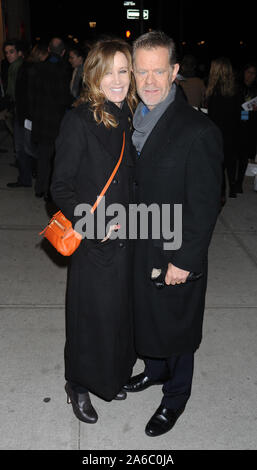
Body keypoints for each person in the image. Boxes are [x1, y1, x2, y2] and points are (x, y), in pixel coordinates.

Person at [123, 31, 223, 437]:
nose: (149, 81)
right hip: (139, 244)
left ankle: (175, 397)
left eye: (158, 71)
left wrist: (184, 260)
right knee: (148, 318)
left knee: (177, 327)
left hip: (175, 251)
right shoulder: (131, 117)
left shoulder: (197, 130)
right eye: (141, 71)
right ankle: (155, 370)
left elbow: (205, 206)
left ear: (175, 72)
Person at [50, 38, 137, 424]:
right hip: (96, 239)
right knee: (90, 316)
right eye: (109, 72)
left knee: (118, 315)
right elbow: (60, 187)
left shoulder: (129, 113)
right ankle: (79, 384)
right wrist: (94, 225)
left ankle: (110, 376)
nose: (117, 80)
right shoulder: (79, 119)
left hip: (129, 235)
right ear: (93, 75)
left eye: (124, 70)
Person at [30, 37, 72, 200]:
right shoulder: (65, 69)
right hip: (58, 120)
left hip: (41, 119)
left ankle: (40, 187)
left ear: (48, 49)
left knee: (43, 156)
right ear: (63, 52)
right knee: (57, 158)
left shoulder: (38, 68)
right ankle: (51, 191)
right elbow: (64, 97)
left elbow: (32, 95)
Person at [206, 57, 241, 201]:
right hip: (232, 131)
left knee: (219, 165)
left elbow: (213, 117)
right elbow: (240, 113)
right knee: (231, 161)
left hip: (218, 133)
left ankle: (221, 193)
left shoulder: (214, 92)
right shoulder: (236, 90)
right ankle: (233, 188)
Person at [235, 62, 257, 193]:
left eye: (253, 73)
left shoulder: (255, 89)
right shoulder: (237, 87)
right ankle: (233, 181)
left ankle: (239, 183)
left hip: (250, 125)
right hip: (237, 124)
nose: (250, 75)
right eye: (248, 72)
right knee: (235, 154)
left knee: (244, 155)